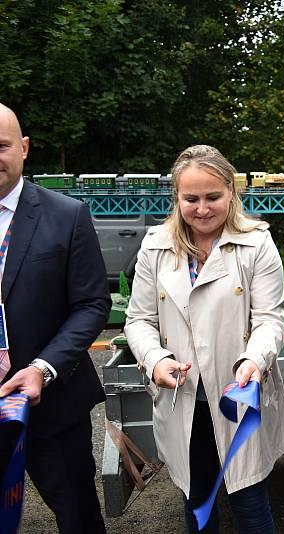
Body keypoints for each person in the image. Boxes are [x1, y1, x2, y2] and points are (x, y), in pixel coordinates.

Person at [124, 145, 284, 534]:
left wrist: (253, 360)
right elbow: (138, 320)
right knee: (197, 502)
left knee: (250, 503)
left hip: (238, 397)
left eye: (213, 197)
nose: (202, 208)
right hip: (183, 399)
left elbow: (270, 320)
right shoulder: (154, 245)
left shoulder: (257, 243)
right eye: (191, 199)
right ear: (177, 198)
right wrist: (155, 360)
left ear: (231, 193)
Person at [0, 103, 110, 532]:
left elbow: (92, 305)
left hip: (52, 404)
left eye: (2, 146)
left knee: (78, 517)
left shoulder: (66, 216)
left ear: (24, 148)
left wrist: (43, 369)